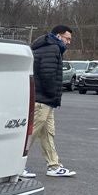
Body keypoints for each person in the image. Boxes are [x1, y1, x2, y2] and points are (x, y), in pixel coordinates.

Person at [23, 25, 76, 178]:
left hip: (46, 100)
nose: (69, 42)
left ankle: (53, 165)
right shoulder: (52, 49)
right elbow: (48, 75)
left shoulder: (47, 47)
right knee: (30, 135)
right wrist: (53, 95)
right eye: (67, 38)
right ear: (58, 36)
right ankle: (14, 166)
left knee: (48, 134)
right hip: (43, 100)